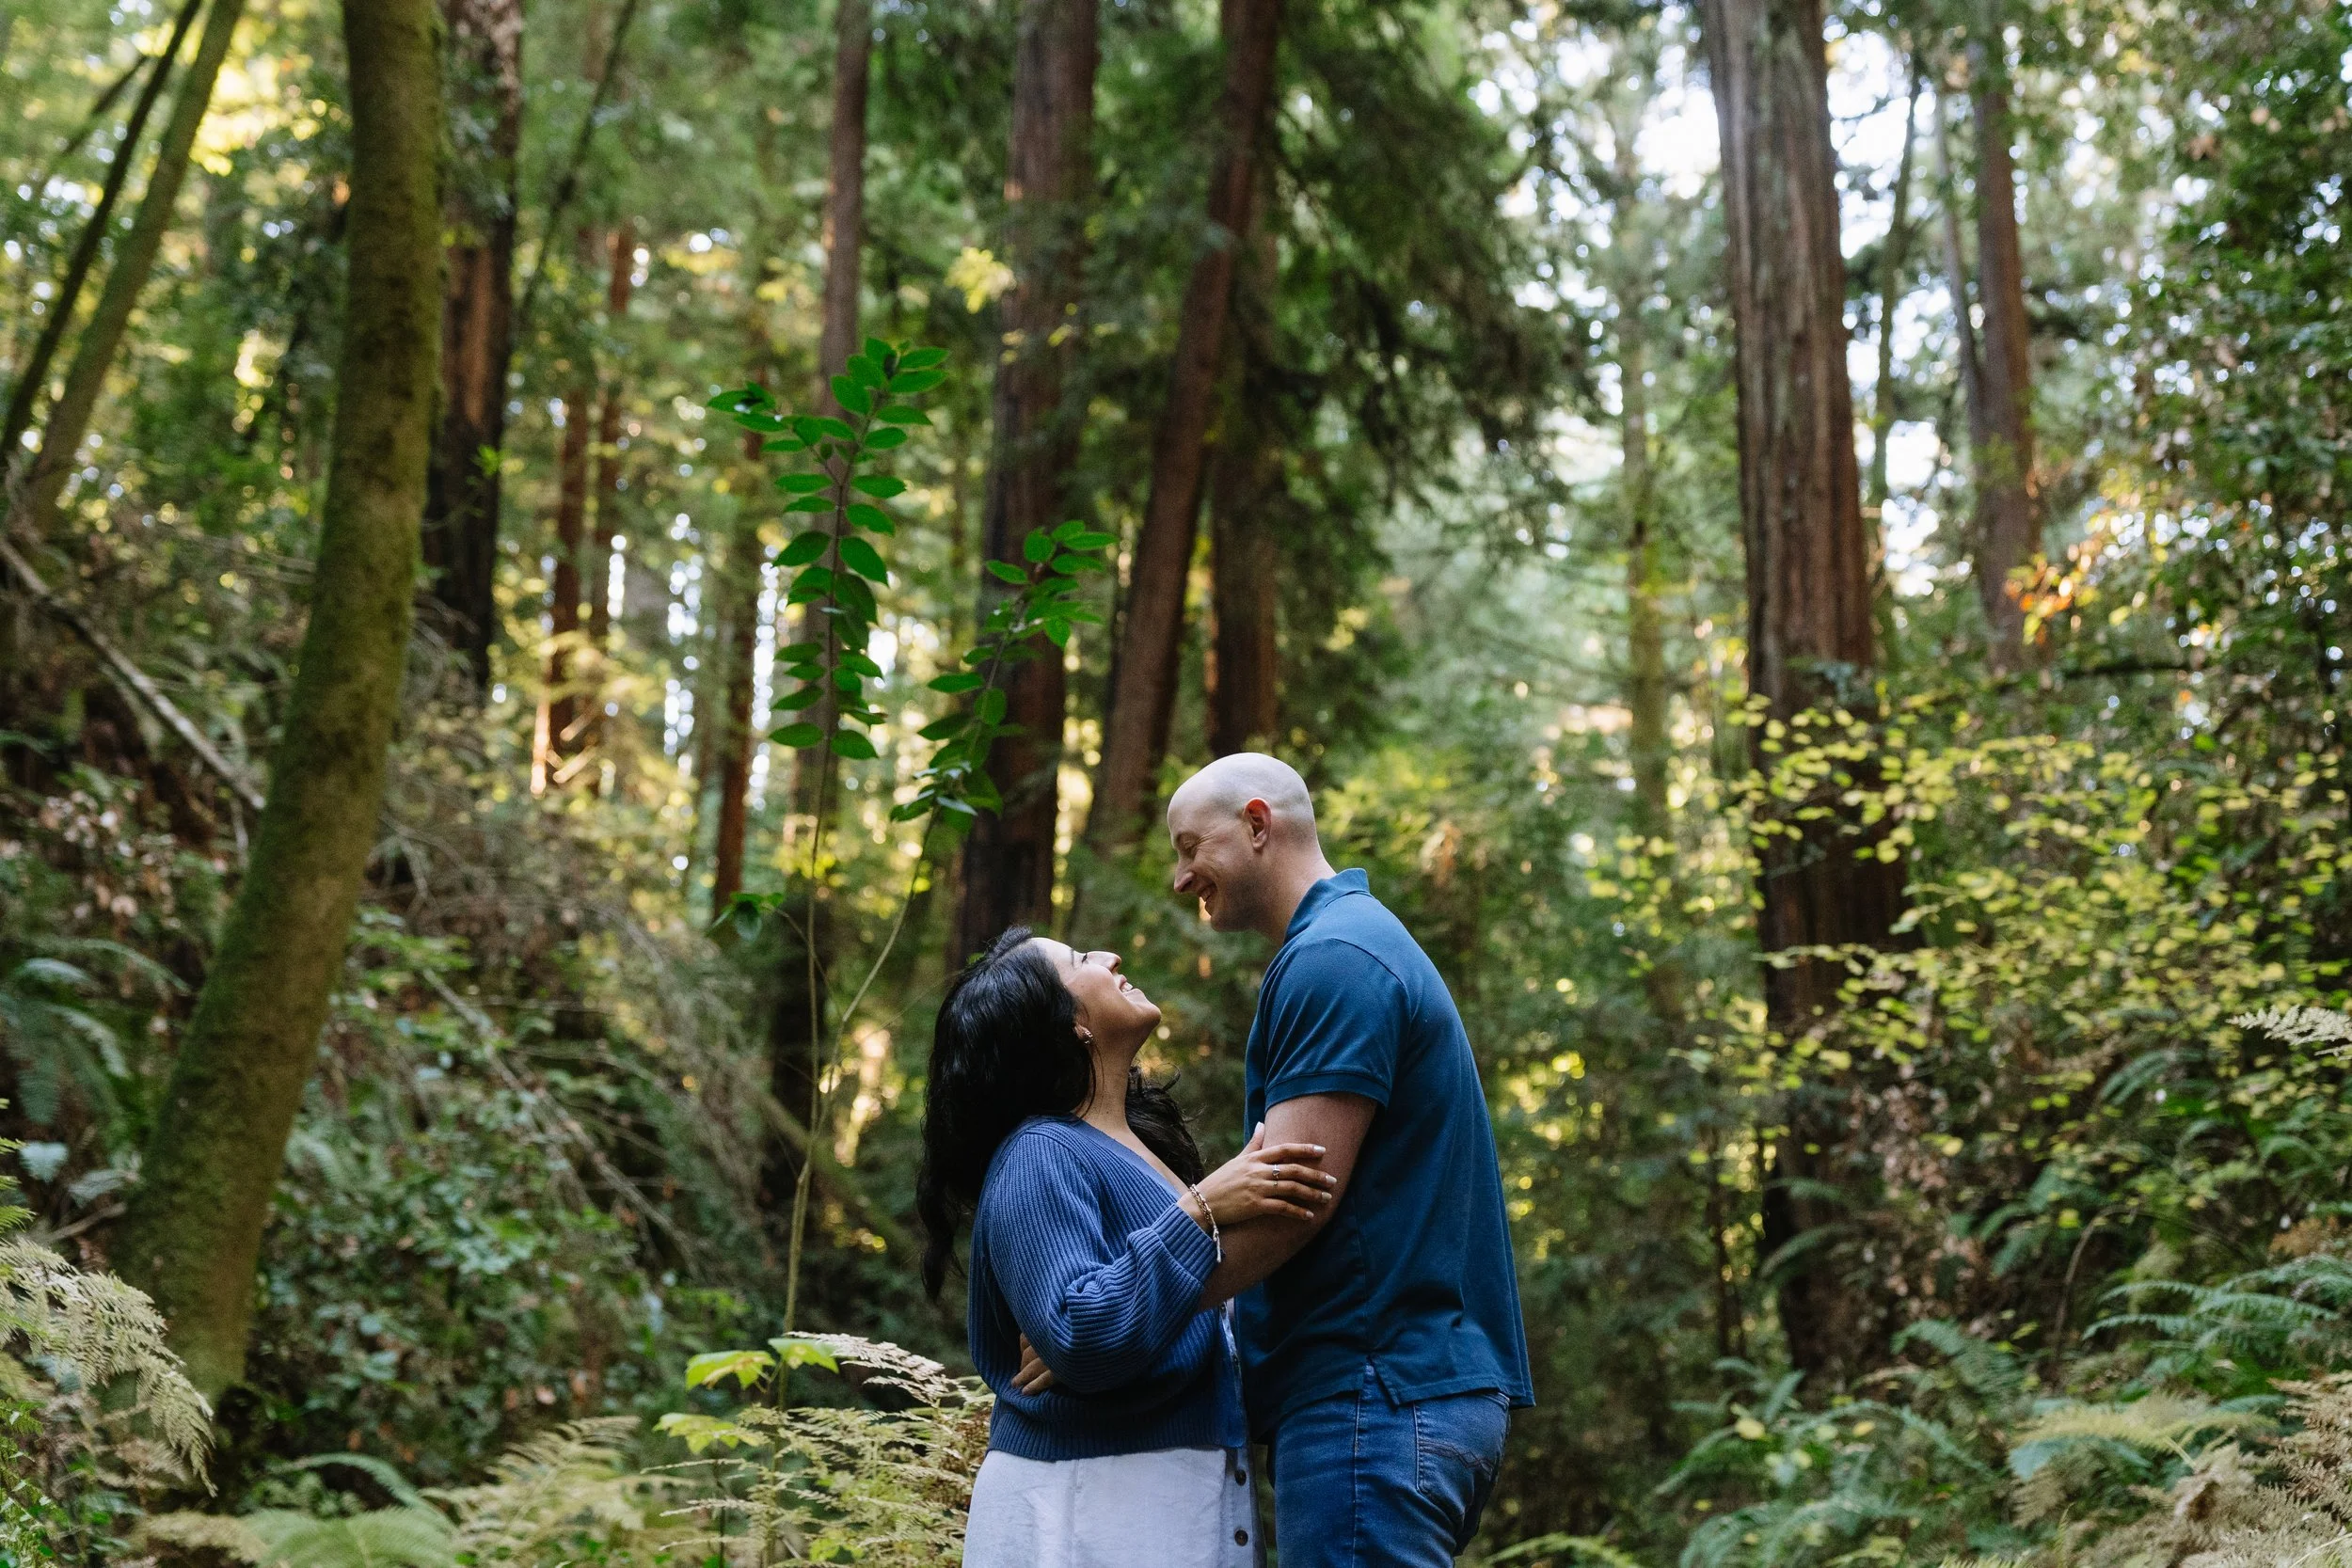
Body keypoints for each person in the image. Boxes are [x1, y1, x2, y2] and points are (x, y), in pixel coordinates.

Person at [1161, 752, 1534, 1565]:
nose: (1181, 878)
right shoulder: (1352, 943)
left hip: (1374, 1392)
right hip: (1401, 1393)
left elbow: (1294, 1196)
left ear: (1258, 824)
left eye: (1191, 848)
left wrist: (1131, 1308)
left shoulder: (1336, 957)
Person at [917, 925, 1339, 1568]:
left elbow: (1145, 1322)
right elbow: (1082, 1331)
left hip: (1182, 1492)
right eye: (1082, 959)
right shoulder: (1039, 1152)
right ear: (1071, 1022)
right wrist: (1200, 1209)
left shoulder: (1145, 1158)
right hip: (1087, 1500)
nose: (1112, 954)